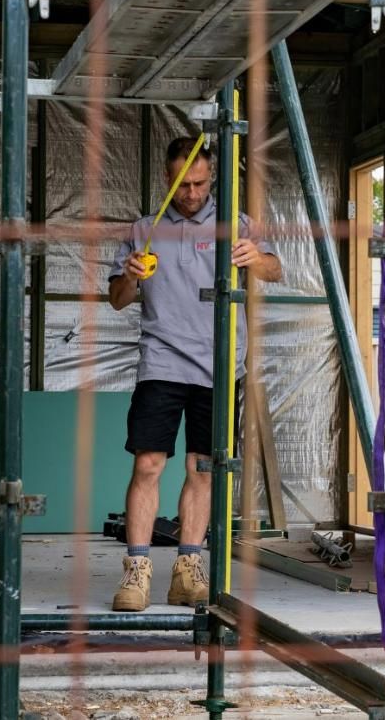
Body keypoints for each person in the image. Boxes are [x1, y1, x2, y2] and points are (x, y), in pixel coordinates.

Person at [108, 136, 282, 611]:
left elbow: (275, 269)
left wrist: (256, 260)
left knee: (202, 469)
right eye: (183, 185)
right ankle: (137, 571)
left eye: (201, 184)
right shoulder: (144, 229)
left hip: (220, 364)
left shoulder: (235, 224)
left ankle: (188, 570)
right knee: (148, 464)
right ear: (167, 180)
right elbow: (118, 299)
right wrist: (130, 277)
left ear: (213, 180)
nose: (192, 193)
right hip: (161, 360)